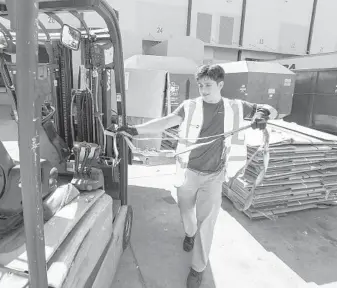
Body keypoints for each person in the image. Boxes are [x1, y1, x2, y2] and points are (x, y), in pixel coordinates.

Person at [116, 64, 278, 288]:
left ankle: (197, 268)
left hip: (215, 176)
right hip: (187, 173)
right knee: (186, 213)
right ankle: (189, 233)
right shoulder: (189, 106)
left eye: (208, 85)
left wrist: (264, 113)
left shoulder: (236, 107)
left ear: (220, 84)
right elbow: (165, 122)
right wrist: (135, 130)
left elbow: (271, 108)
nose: (203, 90)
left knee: (207, 223)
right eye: (200, 85)